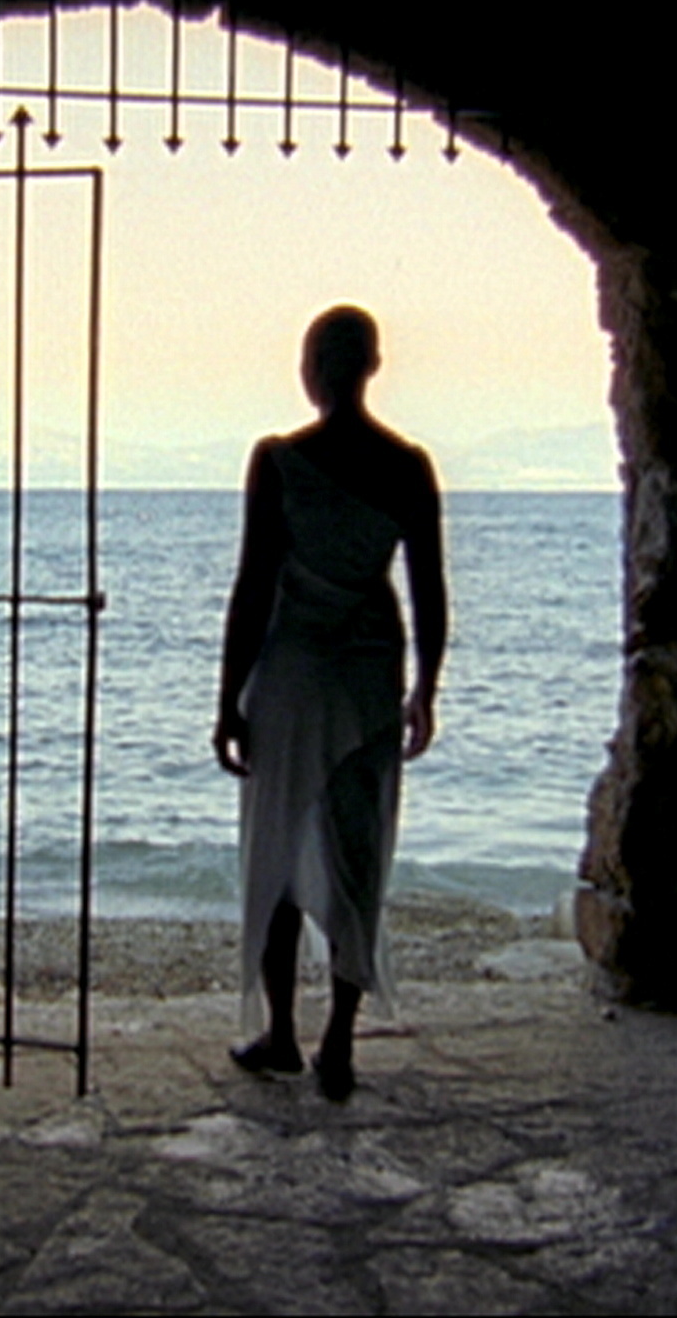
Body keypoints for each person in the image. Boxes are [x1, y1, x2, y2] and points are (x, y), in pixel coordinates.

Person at [214, 306, 447, 1102]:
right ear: (373, 365)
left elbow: (251, 589)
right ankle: (338, 1043)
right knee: (356, 856)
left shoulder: (279, 461)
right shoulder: (409, 466)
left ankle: (281, 1033)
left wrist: (226, 700)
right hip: (366, 674)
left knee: (276, 850)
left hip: (291, 672)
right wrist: (426, 686)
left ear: (312, 368)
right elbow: (430, 594)